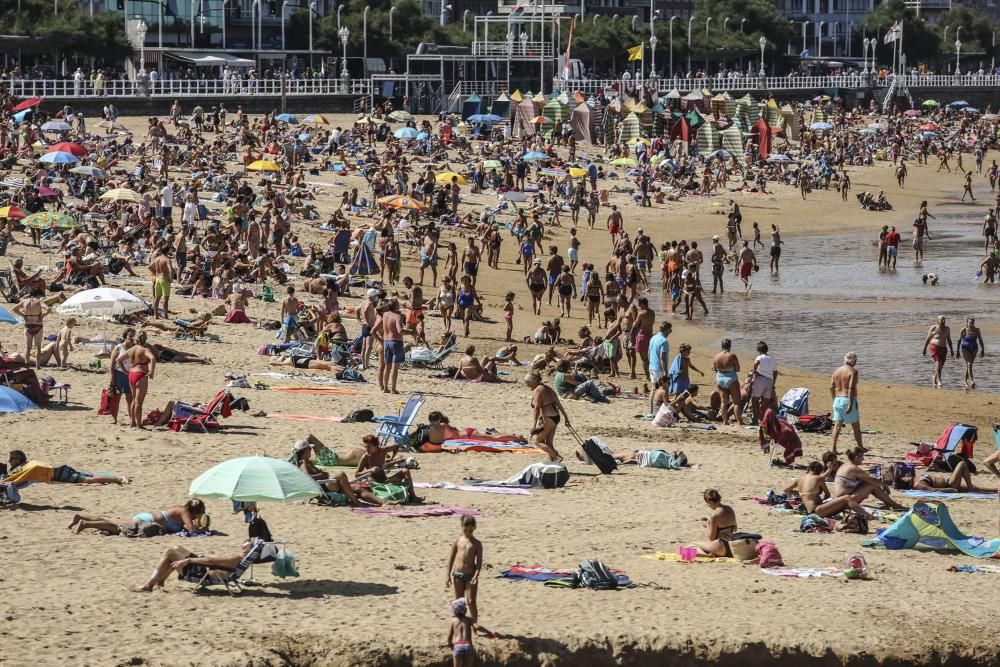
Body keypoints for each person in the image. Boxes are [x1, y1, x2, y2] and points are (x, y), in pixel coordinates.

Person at [131, 539, 258, 593]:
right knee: (177, 548)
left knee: (170, 553)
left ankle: (149, 585)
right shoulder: (240, 558)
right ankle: (160, 582)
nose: (243, 544)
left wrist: (187, 561)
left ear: (249, 550)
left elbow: (212, 561)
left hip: (202, 573)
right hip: (205, 568)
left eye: (246, 545)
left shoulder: (236, 558)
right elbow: (213, 561)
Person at [292, 440, 379, 506]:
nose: (310, 450)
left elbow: (316, 473)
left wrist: (322, 473)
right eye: (309, 449)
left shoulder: (308, 462)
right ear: (305, 451)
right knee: (340, 475)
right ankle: (355, 501)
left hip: (325, 484)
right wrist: (321, 475)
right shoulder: (303, 463)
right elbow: (307, 477)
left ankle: (381, 502)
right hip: (322, 487)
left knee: (357, 487)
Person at [783, 461, 872, 519]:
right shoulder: (818, 478)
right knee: (847, 498)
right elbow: (827, 494)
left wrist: (800, 494)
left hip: (811, 511)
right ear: (819, 471)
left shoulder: (799, 479)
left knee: (844, 503)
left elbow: (786, 490)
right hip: (818, 510)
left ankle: (863, 514)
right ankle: (867, 516)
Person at [68, 499, 206, 535]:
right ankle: (86, 524)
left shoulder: (181, 509)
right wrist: (200, 527)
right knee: (118, 528)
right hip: (147, 522)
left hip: (146, 517)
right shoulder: (185, 512)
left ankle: (80, 517)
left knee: (112, 522)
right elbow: (191, 531)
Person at [2, 450, 129, 487]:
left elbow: (17, 479)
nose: (10, 462)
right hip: (61, 470)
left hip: (60, 475)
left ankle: (118, 479)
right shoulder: (30, 463)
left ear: (18, 460)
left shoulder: (29, 468)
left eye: (11, 459)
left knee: (91, 480)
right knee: (90, 475)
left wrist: (3, 481)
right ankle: (115, 475)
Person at [833, 447, 906, 510]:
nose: (863, 459)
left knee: (869, 483)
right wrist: (884, 485)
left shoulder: (846, 465)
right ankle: (894, 505)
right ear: (856, 457)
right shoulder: (853, 468)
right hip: (844, 502)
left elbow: (867, 478)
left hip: (841, 500)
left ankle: (892, 504)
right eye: (862, 456)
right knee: (872, 485)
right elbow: (872, 480)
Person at [356, 434, 420, 501]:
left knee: (405, 471)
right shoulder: (365, 457)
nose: (366, 449)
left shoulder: (382, 451)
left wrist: (392, 458)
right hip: (375, 484)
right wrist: (370, 470)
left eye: (368, 447)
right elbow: (357, 474)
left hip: (385, 481)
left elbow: (396, 446)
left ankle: (413, 496)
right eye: (365, 447)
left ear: (375, 445)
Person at [445, 515, 483, 628]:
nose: (468, 532)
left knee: (471, 601)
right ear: (461, 527)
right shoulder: (458, 541)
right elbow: (451, 558)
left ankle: (475, 624)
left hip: (470, 575)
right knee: (459, 602)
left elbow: (479, 562)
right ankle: (460, 624)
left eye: (470, 530)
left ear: (474, 528)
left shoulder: (477, 544)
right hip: (457, 575)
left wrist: (476, 575)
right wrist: (447, 575)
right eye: (465, 530)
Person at [524, 370, 571, 462]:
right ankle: (552, 463)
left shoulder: (538, 390)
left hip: (548, 419)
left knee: (538, 442)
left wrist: (534, 425)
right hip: (556, 418)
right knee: (549, 443)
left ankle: (556, 457)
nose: (527, 385)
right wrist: (566, 418)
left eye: (528, 383)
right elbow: (558, 404)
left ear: (533, 382)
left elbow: (537, 408)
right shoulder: (548, 388)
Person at [121, 331, 157, 429]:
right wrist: (152, 371)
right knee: (138, 402)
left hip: (132, 373)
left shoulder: (133, 349)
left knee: (133, 400)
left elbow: (119, 360)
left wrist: (125, 371)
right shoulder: (145, 349)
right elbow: (153, 358)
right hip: (141, 375)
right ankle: (139, 424)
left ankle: (132, 422)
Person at [830, 351, 862, 455]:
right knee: (855, 425)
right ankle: (860, 447)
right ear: (854, 361)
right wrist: (850, 403)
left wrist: (834, 399)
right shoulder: (853, 371)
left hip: (837, 399)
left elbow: (831, 387)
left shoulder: (836, 371)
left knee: (837, 425)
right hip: (847, 399)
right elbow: (851, 388)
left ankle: (833, 448)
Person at [12, 289, 51, 370]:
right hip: (38, 325)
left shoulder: (24, 301)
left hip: (28, 324)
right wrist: (42, 316)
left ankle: (27, 365)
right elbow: (48, 309)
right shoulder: (39, 301)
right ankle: (37, 366)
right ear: (38, 294)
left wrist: (23, 315)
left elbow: (14, 309)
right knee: (38, 347)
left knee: (27, 347)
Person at [695, 489, 738, 557]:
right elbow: (735, 528)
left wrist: (708, 525)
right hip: (732, 546)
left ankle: (706, 555)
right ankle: (709, 554)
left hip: (721, 547)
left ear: (710, 501)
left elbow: (711, 538)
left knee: (692, 545)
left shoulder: (714, 516)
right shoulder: (730, 509)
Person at [107, 327, 136, 425]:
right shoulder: (119, 347)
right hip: (118, 374)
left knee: (130, 398)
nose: (132, 338)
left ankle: (132, 419)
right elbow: (111, 364)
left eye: (133, 336)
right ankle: (114, 419)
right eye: (130, 336)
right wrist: (112, 377)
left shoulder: (135, 348)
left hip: (130, 374)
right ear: (125, 336)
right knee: (117, 397)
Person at [912, 459, 992, 493]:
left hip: (950, 482)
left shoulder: (914, 479)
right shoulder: (917, 485)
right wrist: (950, 489)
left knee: (978, 489)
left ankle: (997, 490)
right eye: (904, 478)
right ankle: (970, 487)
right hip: (950, 484)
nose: (906, 477)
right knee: (962, 464)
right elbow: (934, 490)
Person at [711, 339, 742, 426]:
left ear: (722, 346)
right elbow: (738, 369)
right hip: (731, 378)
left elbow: (715, 369)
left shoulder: (716, 356)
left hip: (720, 378)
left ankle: (725, 421)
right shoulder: (732, 355)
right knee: (737, 402)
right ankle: (739, 421)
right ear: (730, 346)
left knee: (724, 402)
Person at [921, 315, 954, 389]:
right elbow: (928, 338)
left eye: (944, 320)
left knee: (941, 365)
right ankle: (939, 380)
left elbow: (948, 339)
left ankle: (934, 377)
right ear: (937, 320)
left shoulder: (947, 329)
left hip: (943, 348)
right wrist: (924, 349)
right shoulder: (934, 328)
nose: (943, 321)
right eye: (941, 320)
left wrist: (952, 350)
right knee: (938, 363)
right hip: (934, 347)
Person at [750, 341, 777, 425]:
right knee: (765, 403)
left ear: (758, 350)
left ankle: (755, 420)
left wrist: (754, 372)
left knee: (755, 401)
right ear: (767, 350)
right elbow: (775, 372)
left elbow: (756, 363)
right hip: (769, 381)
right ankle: (763, 421)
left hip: (760, 379)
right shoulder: (772, 359)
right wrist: (773, 383)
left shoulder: (760, 357)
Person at [381, 299, 405, 394]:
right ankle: (393, 389)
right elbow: (400, 331)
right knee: (395, 368)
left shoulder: (385, 314)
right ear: (395, 306)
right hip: (396, 341)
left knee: (387, 366)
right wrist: (411, 332)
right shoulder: (397, 316)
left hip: (386, 341)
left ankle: (386, 388)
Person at [956, 317, 984, 389]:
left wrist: (983, 350)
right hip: (965, 348)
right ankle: (972, 381)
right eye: (970, 323)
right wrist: (957, 351)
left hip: (974, 348)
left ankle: (965, 381)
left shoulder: (977, 330)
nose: (971, 324)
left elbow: (980, 340)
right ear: (967, 323)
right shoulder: (964, 330)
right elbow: (959, 340)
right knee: (969, 364)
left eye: (973, 323)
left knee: (969, 365)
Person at [447, 597, 475, 666]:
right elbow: (477, 627)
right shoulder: (469, 619)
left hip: (458, 646)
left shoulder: (453, 621)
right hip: (468, 646)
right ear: (465, 610)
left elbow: (449, 637)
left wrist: (450, 644)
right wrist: (489, 632)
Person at [647, 321, 671, 388]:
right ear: (666, 330)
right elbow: (662, 357)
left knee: (653, 388)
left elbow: (648, 353)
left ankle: (652, 399)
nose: (670, 332)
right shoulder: (664, 341)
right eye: (670, 330)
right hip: (659, 369)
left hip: (652, 367)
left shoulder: (653, 338)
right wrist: (665, 372)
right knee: (663, 389)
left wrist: (651, 364)